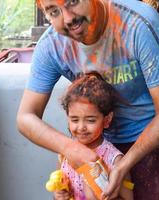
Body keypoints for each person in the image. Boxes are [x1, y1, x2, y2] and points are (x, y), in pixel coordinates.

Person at [16, 0, 159, 199]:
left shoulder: (138, 24)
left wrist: (123, 165)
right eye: (53, 11)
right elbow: (25, 117)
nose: (68, 18)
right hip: (96, 141)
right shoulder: (51, 45)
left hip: (151, 138)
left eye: (72, 1)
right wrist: (71, 148)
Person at [54, 72, 133, 200]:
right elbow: (61, 185)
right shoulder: (65, 153)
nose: (81, 127)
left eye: (90, 120)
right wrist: (59, 195)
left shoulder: (115, 160)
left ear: (107, 120)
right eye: (74, 120)